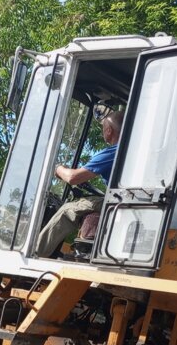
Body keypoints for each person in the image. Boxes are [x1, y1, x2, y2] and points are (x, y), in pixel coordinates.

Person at [36, 110, 123, 257]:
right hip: (125, 202)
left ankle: (36, 253)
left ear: (109, 130)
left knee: (67, 210)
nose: (103, 132)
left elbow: (73, 177)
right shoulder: (132, 151)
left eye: (103, 128)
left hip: (118, 203)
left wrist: (57, 168)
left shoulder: (114, 152)